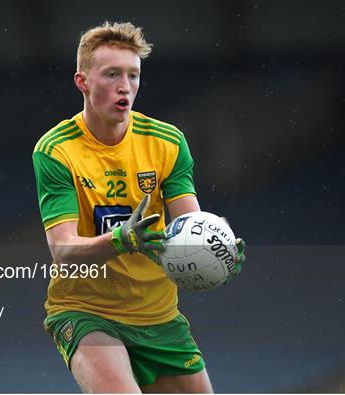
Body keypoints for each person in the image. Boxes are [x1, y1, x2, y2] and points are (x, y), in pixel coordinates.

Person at [32, 21, 246, 393]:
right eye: (112, 74)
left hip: (159, 317)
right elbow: (63, 250)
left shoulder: (167, 143)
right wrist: (121, 240)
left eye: (133, 75)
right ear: (82, 81)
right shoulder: (56, 151)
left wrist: (217, 255)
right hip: (86, 311)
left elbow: (189, 227)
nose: (125, 86)